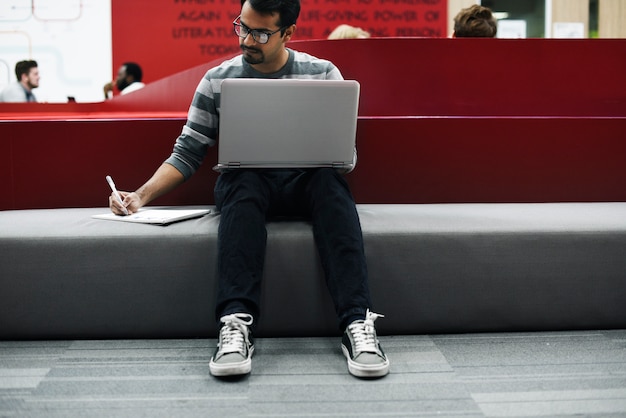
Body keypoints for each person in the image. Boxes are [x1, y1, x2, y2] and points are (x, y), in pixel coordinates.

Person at [108, 0, 390, 379]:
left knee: (330, 182)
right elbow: (187, 153)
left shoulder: (323, 73)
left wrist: (336, 155)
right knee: (242, 180)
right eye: (242, 27)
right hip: (248, 185)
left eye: (259, 33)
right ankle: (235, 324)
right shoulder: (216, 79)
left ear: (288, 33)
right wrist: (140, 195)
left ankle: (358, 323)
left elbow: (347, 159)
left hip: (309, 183)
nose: (246, 40)